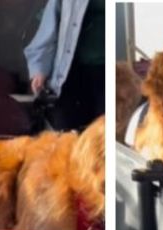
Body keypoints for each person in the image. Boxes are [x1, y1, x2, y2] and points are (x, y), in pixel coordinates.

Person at [24, 0, 105, 131]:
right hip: (70, 73)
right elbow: (49, 27)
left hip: (109, 74)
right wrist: (40, 68)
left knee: (101, 137)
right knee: (66, 134)